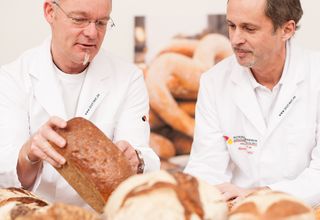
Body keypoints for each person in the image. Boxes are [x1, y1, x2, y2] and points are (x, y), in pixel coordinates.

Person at [0, 0, 160, 208]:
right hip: (36, 213)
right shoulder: (12, 78)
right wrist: (30, 154)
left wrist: (136, 160)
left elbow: (143, 159)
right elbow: (5, 175)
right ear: (50, 12)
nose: (92, 33)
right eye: (79, 19)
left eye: (101, 22)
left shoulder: (128, 78)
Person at [184, 0, 320, 207]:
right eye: (231, 26)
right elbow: (205, 167)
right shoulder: (214, 81)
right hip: (238, 211)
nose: (236, 39)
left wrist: (260, 195)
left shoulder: (315, 75)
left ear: (286, 29)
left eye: (249, 29)